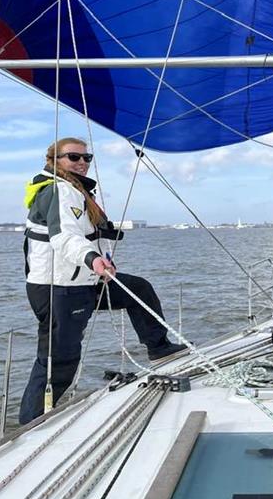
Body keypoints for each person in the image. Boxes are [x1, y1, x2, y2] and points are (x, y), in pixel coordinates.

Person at [19, 137, 186, 425]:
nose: (82, 162)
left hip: (82, 280)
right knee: (59, 361)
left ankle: (158, 348)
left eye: (87, 158)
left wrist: (101, 258)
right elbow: (65, 237)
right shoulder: (58, 191)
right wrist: (92, 260)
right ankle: (31, 425)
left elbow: (87, 233)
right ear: (54, 160)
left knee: (137, 289)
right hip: (58, 287)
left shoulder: (76, 189)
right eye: (74, 157)